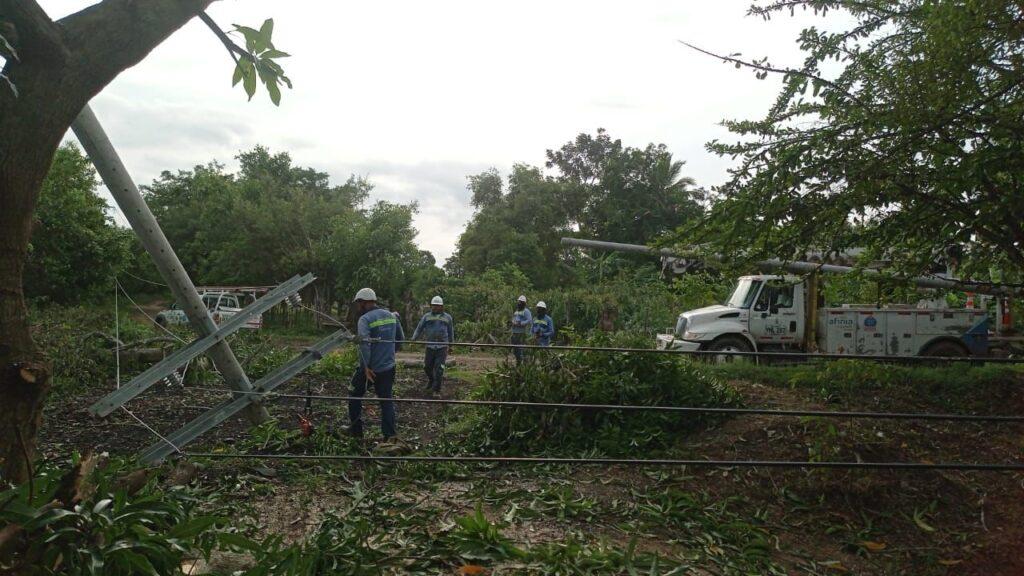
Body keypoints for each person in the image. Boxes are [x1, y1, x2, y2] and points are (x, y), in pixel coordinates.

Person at [347, 287, 404, 442]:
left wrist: (365, 367)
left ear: (363, 302)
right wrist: (390, 354)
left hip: (370, 369)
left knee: (354, 396)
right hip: (388, 367)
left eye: (358, 303)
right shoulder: (391, 316)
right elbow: (400, 339)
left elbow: (364, 345)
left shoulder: (365, 319)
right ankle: (389, 436)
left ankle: (356, 433)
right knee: (386, 401)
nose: (358, 306)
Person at [411, 295, 454, 395]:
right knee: (427, 367)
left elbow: (450, 331)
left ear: (442, 306)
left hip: (442, 347)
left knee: (439, 368)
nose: (435, 307)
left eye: (437, 306)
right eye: (433, 305)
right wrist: (414, 339)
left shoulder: (447, 317)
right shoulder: (427, 316)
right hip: (430, 346)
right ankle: (432, 380)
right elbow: (419, 328)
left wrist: (451, 345)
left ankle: (436, 390)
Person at [510, 295, 532, 364]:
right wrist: (513, 322)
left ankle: (524, 363)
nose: (519, 303)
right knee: (515, 349)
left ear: (524, 303)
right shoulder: (516, 311)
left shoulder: (526, 311)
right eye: (518, 302)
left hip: (522, 333)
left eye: (521, 302)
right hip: (514, 332)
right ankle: (518, 362)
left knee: (521, 348)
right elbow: (514, 318)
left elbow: (529, 320)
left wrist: (521, 323)